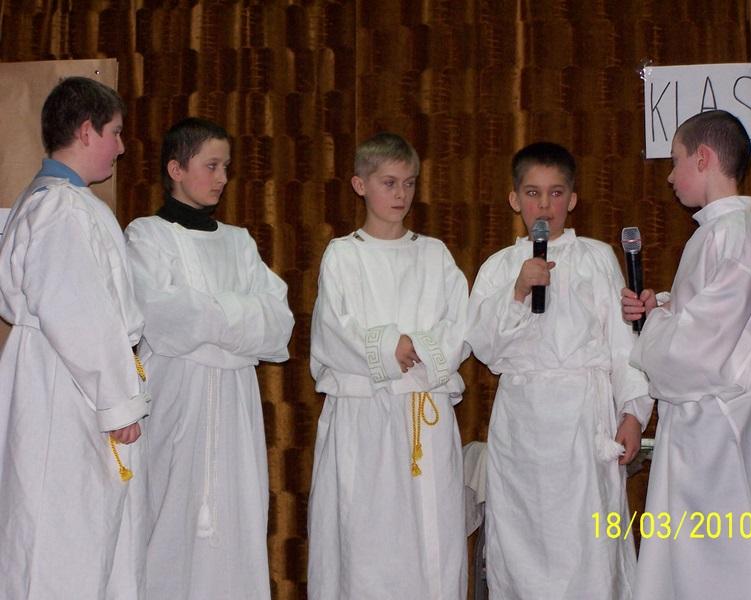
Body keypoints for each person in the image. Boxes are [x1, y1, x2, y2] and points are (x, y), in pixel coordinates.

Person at [621, 109, 751, 600]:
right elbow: (707, 322)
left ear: (703, 158)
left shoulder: (732, 235)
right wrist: (660, 308)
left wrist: (654, 326)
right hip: (710, 423)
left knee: (722, 564)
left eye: (675, 161)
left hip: (722, 431)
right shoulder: (721, 233)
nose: (670, 176)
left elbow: (700, 348)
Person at [467, 142, 652, 599]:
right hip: (522, 427)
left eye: (555, 193)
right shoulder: (498, 267)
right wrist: (517, 291)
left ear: (572, 199)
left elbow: (622, 343)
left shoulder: (596, 258)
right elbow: (484, 347)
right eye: (533, 193)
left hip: (583, 422)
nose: (544, 206)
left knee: (590, 550)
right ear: (514, 199)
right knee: (522, 549)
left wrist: (632, 412)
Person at [125, 117, 294, 600]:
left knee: (236, 516)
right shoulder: (146, 236)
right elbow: (162, 316)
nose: (222, 178)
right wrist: (237, 319)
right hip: (175, 401)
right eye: (212, 166)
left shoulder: (239, 242)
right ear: (176, 168)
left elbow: (277, 323)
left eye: (226, 167)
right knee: (168, 515)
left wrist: (208, 318)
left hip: (234, 408)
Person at [0, 76, 148, 599]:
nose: (121, 147)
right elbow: (79, 314)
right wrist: (118, 402)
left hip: (61, 378)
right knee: (60, 540)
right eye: (115, 132)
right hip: (65, 388)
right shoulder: (61, 208)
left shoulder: (49, 200)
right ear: (86, 131)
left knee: (78, 534)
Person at [307, 132, 470, 599]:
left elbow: (460, 323)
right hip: (363, 419)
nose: (401, 194)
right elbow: (332, 329)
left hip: (423, 416)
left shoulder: (434, 254)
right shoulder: (344, 254)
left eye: (409, 183)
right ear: (360, 185)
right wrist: (386, 347)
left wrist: (417, 348)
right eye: (389, 183)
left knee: (430, 542)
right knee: (364, 541)